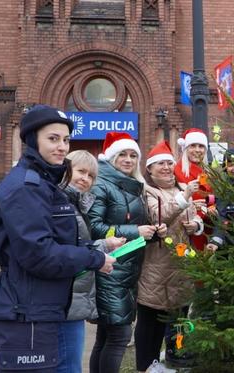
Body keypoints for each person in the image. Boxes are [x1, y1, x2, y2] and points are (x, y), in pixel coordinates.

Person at [0, 105, 115, 373]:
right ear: (33, 140)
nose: (62, 147)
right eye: (53, 139)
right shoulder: (25, 187)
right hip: (30, 313)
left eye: (66, 140)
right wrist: (95, 258)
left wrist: (96, 248)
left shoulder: (44, 184)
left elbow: (57, 242)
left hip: (48, 308)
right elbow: (39, 254)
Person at [87, 132, 167, 373]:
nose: (129, 159)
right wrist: (135, 231)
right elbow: (94, 228)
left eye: (133, 155)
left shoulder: (132, 186)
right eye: (122, 154)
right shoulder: (102, 184)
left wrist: (153, 234)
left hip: (126, 270)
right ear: (111, 157)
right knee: (119, 335)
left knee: (106, 335)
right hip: (110, 270)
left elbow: (134, 232)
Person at [134, 140, 203, 373]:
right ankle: (146, 365)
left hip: (182, 265)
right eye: (160, 164)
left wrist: (197, 225)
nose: (165, 167)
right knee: (150, 320)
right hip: (156, 266)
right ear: (150, 169)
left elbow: (194, 216)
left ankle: (177, 353)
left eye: (169, 163)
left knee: (180, 315)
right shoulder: (148, 191)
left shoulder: (180, 188)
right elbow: (157, 216)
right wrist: (184, 197)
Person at [57, 150, 127, 373]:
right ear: (66, 170)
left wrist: (105, 245)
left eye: (90, 175)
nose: (85, 179)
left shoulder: (76, 204)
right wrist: (99, 257)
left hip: (75, 298)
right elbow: (64, 252)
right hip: (66, 298)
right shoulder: (63, 205)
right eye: (80, 171)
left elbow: (78, 247)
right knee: (68, 364)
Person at [174, 128, 214, 251]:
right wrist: (191, 205)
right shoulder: (176, 171)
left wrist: (212, 207)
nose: (197, 150)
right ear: (185, 148)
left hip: (207, 230)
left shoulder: (209, 173)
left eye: (201, 146)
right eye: (193, 146)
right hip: (184, 232)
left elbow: (213, 198)